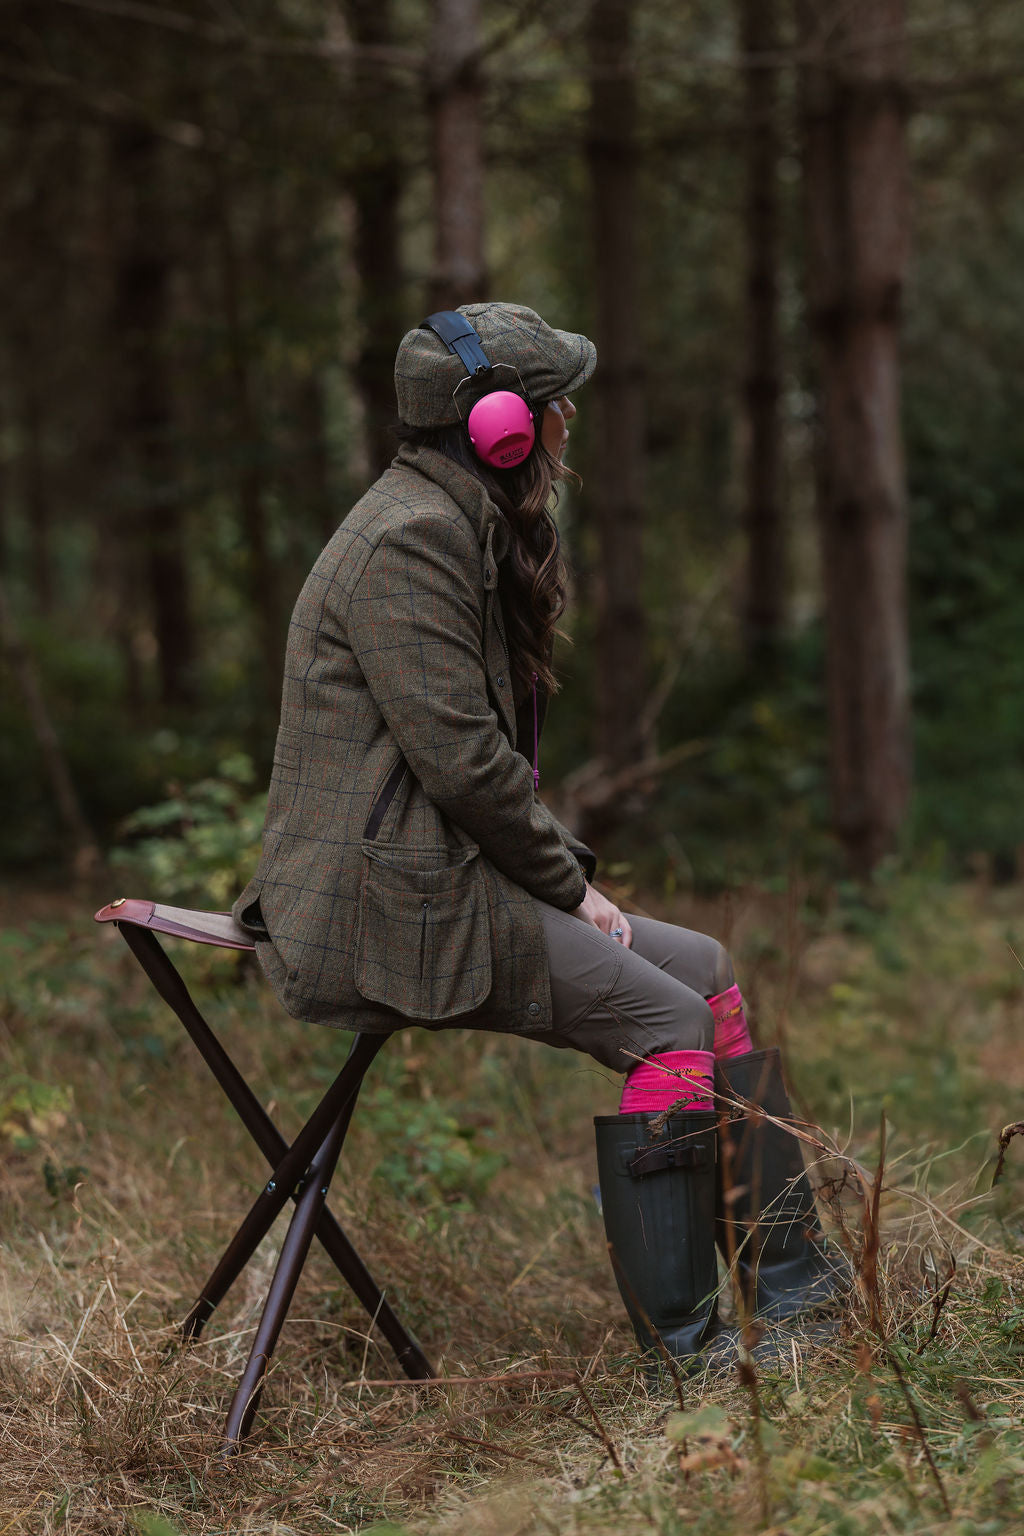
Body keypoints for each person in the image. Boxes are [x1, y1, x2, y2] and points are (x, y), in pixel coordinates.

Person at [234, 302, 845, 1363]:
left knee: (706, 972)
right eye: (556, 400)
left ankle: (792, 1296)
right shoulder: (409, 539)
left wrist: (559, 880)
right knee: (668, 1024)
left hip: (434, 874)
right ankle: (689, 1351)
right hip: (382, 907)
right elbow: (462, 758)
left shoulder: (452, 519)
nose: (569, 419)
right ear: (499, 424)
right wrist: (570, 887)